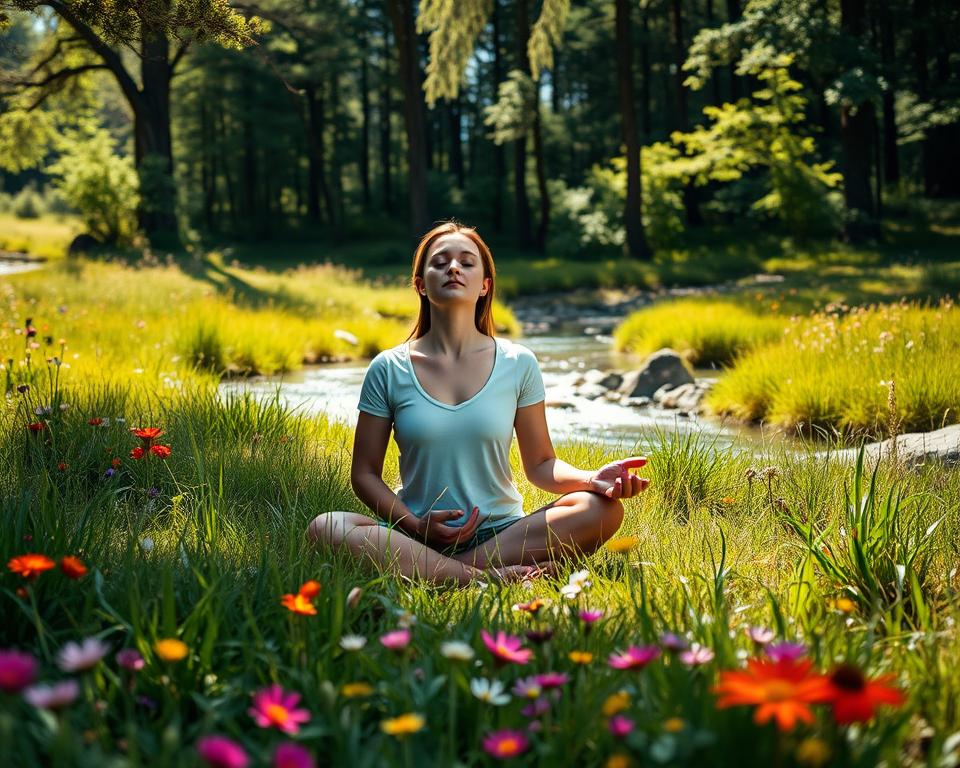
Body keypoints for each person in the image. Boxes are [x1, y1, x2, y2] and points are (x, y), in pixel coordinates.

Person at [307, 222, 650, 584]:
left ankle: (451, 572)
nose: (453, 268)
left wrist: (590, 479)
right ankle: (484, 578)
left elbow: (541, 464)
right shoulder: (388, 368)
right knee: (326, 526)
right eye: (440, 262)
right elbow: (363, 474)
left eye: (466, 262)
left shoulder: (518, 363)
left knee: (600, 510)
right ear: (421, 285)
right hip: (414, 534)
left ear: (485, 284)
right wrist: (416, 525)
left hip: (503, 536)